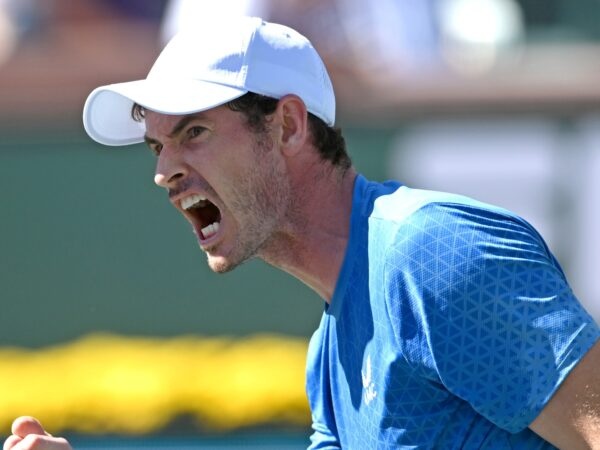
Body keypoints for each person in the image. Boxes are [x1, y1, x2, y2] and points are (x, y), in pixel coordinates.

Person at [4, 16, 599, 450]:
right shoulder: (328, 358)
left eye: (194, 134)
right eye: (159, 147)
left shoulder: (432, 253)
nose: (164, 172)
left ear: (287, 124)